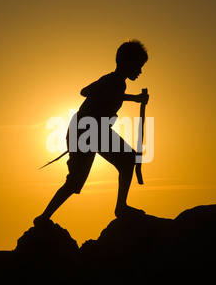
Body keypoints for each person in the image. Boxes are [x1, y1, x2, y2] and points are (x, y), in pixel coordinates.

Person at [34, 40, 149, 226]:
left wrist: (99, 92)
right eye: (138, 66)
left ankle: (120, 207)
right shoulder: (115, 82)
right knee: (76, 181)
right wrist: (136, 99)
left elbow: (84, 91)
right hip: (88, 130)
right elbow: (105, 95)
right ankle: (43, 218)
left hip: (90, 129)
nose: (140, 71)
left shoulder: (109, 80)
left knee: (127, 161)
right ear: (127, 63)